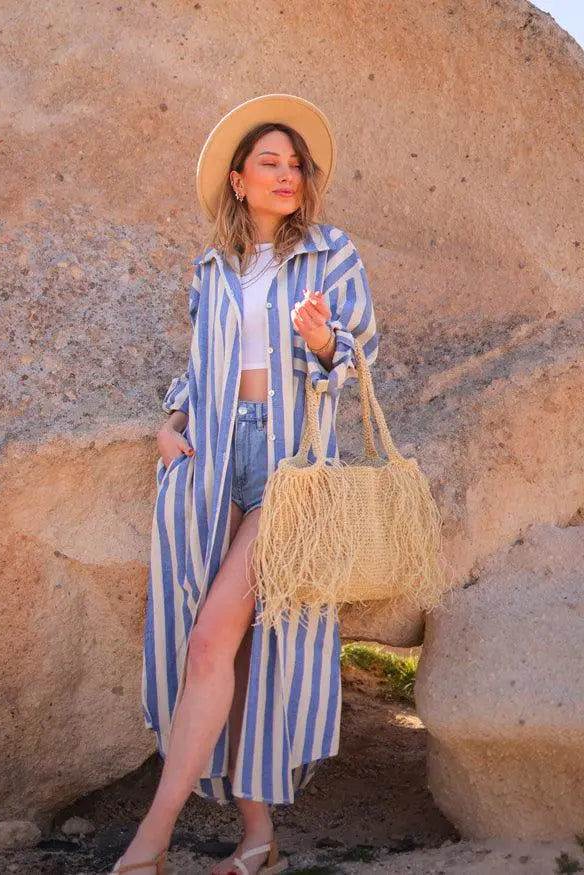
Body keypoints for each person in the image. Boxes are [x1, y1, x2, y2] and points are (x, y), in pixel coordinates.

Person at [110, 93, 380, 875]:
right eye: (270, 161)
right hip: (214, 457)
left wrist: (327, 339)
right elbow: (202, 368)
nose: (286, 173)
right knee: (232, 653)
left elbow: (360, 363)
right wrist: (171, 423)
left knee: (211, 636)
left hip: (292, 467)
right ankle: (257, 841)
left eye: (295, 163)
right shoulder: (211, 268)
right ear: (238, 179)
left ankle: (148, 845)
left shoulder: (333, 252)